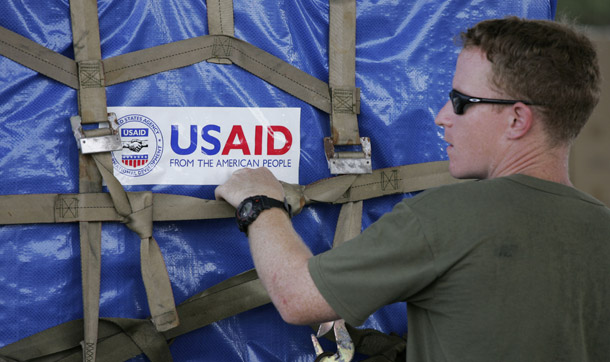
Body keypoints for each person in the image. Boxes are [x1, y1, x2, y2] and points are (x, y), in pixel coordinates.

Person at [215, 17, 610, 361]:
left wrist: (259, 201)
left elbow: (297, 297)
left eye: (460, 101)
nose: (442, 118)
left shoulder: (446, 218)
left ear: (517, 120)